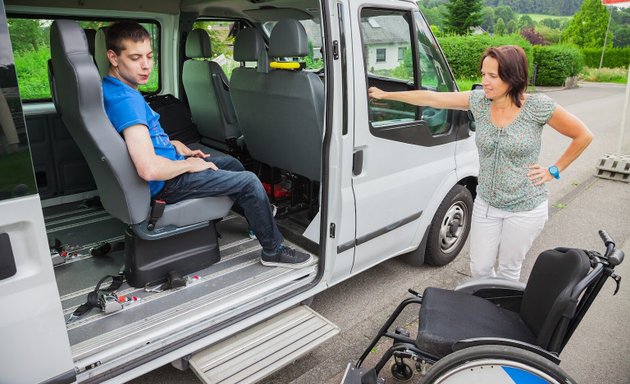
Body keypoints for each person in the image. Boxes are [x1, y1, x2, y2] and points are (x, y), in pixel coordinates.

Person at [368, 45, 593, 281]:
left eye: (493, 76)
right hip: (487, 203)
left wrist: (553, 170)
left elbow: (583, 135)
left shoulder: (537, 107)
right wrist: (386, 95)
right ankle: (486, 300)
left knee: (508, 270)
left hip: (525, 207)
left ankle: (498, 311)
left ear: (513, 77)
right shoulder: (478, 101)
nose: (485, 81)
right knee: (480, 269)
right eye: (483, 74)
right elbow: (432, 98)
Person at [101, 21, 312, 269]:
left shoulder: (113, 88)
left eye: (149, 56)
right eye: (135, 58)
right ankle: (273, 250)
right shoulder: (127, 101)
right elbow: (149, 169)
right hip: (167, 183)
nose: (146, 65)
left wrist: (175, 144)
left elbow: (139, 140)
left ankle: (259, 219)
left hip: (170, 167)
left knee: (232, 163)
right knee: (249, 182)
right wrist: (189, 166)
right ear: (113, 57)